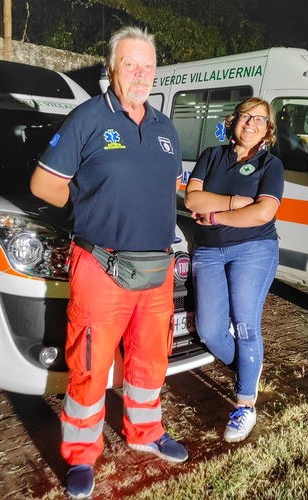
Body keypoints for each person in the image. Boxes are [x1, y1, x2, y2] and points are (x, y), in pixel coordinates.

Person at [30, 26, 186, 499]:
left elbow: (167, 189)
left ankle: (145, 432)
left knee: (151, 358)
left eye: (147, 66)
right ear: (111, 69)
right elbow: (44, 185)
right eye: (130, 65)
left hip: (155, 268)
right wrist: (89, 202)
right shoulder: (88, 118)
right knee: (91, 362)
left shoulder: (165, 128)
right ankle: (81, 454)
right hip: (100, 265)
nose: (140, 74)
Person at [184, 97, 284, 443]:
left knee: (245, 324)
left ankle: (244, 405)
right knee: (210, 330)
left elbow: (261, 214)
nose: (252, 123)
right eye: (246, 116)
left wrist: (216, 215)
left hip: (254, 248)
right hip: (209, 250)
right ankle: (248, 370)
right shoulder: (212, 155)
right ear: (234, 121)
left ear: (267, 131)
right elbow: (192, 200)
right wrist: (234, 203)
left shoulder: (270, 165)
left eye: (260, 119)